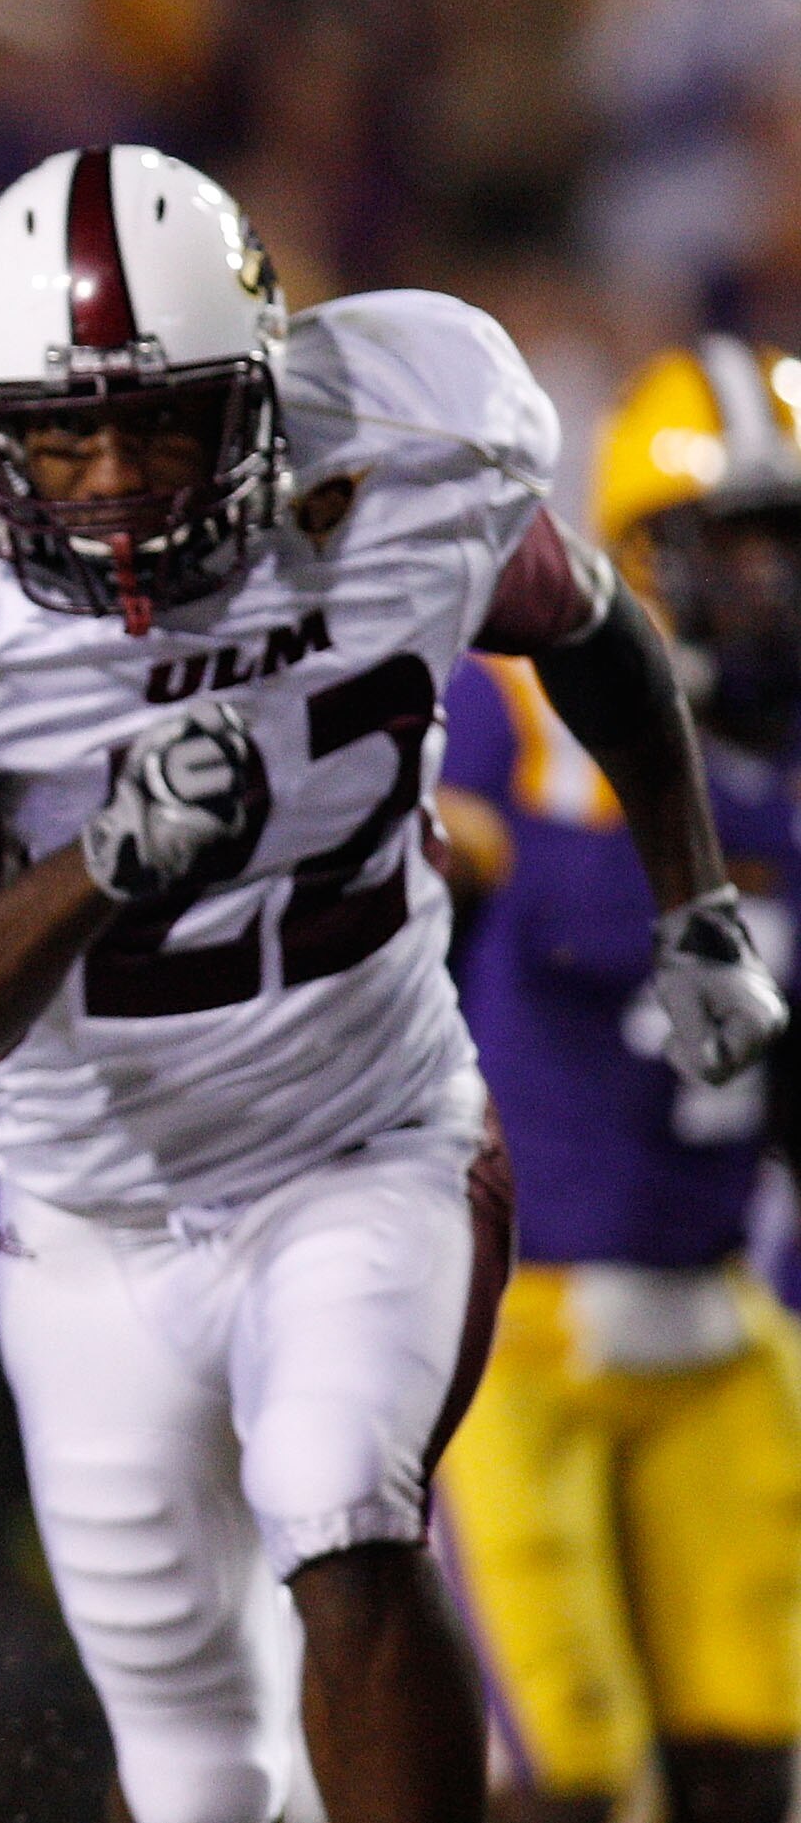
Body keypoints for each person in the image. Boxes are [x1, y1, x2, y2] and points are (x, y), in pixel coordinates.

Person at [0, 144, 788, 1823]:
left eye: (156, 423)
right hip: (92, 1223)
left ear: (262, 386)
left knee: (339, 1507)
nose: (109, 481)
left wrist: (695, 905)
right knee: (196, 1758)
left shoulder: (398, 467)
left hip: (369, 1141)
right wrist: (99, 869)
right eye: (59, 435)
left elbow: (597, 632)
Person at [433, 336, 801, 1823]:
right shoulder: (518, 717)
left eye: (792, 546)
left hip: (724, 1312)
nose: (772, 585)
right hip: (524, 1341)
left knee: (752, 1763)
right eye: (739, 545)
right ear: (646, 557)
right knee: (569, 1784)